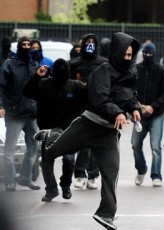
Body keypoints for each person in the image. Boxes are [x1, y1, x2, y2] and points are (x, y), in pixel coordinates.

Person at [40, 32, 141, 230]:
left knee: (111, 173)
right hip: (88, 125)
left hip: (107, 133)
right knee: (51, 154)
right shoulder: (103, 71)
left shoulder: (130, 72)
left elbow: (130, 95)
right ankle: (51, 137)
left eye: (130, 55)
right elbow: (99, 99)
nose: (127, 59)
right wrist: (118, 113)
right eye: (125, 54)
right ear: (117, 52)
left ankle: (106, 214)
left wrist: (134, 108)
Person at [23, 58, 87, 201]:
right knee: (47, 160)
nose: (62, 74)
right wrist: (37, 76)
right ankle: (51, 189)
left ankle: (65, 186)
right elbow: (27, 91)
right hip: (48, 130)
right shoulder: (44, 85)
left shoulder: (75, 86)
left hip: (69, 130)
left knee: (69, 160)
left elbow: (90, 96)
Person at [0, 36, 40, 192]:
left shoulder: (34, 65)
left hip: (31, 113)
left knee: (33, 149)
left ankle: (25, 178)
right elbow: (1, 86)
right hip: (15, 113)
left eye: (28, 44)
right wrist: (1, 105)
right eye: (23, 44)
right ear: (18, 47)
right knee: (10, 150)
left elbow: (38, 88)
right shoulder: (9, 64)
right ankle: (10, 181)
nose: (26, 46)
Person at [70, 33, 108, 190]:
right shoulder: (75, 63)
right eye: (88, 42)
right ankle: (79, 174)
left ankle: (93, 174)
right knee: (84, 142)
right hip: (80, 106)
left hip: (98, 105)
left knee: (96, 144)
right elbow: (68, 84)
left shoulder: (103, 63)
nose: (90, 45)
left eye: (93, 42)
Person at [132, 42, 164, 187]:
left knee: (155, 146)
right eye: (145, 53)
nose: (148, 56)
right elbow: (130, 90)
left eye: (150, 53)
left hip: (156, 114)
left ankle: (156, 175)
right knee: (135, 144)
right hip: (139, 114)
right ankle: (141, 170)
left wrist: (153, 107)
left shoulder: (160, 70)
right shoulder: (136, 69)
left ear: (154, 54)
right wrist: (137, 106)